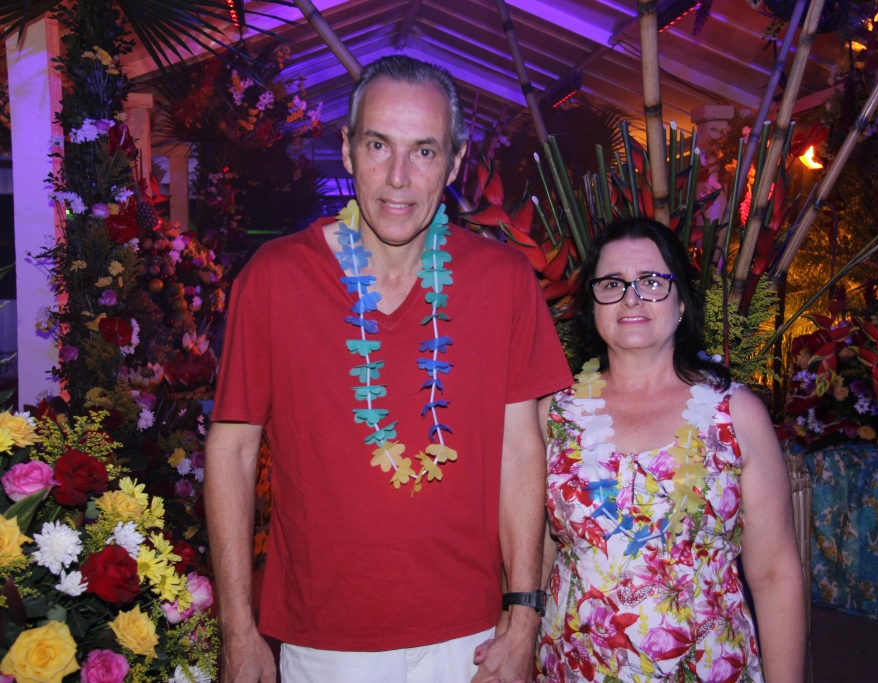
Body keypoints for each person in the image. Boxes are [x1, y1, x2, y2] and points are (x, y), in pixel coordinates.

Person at [205, 55, 572, 683]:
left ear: (454, 163)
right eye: (378, 145)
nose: (398, 177)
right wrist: (237, 629)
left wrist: (523, 620)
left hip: (474, 642)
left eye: (424, 151)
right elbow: (232, 449)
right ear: (348, 150)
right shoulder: (275, 277)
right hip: (324, 641)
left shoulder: (504, 279)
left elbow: (521, 451)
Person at [535, 217, 805, 682]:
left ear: (680, 301)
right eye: (612, 283)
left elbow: (775, 574)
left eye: (652, 281)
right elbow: (534, 560)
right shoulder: (553, 417)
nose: (631, 297)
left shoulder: (736, 415)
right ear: (592, 305)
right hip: (573, 668)